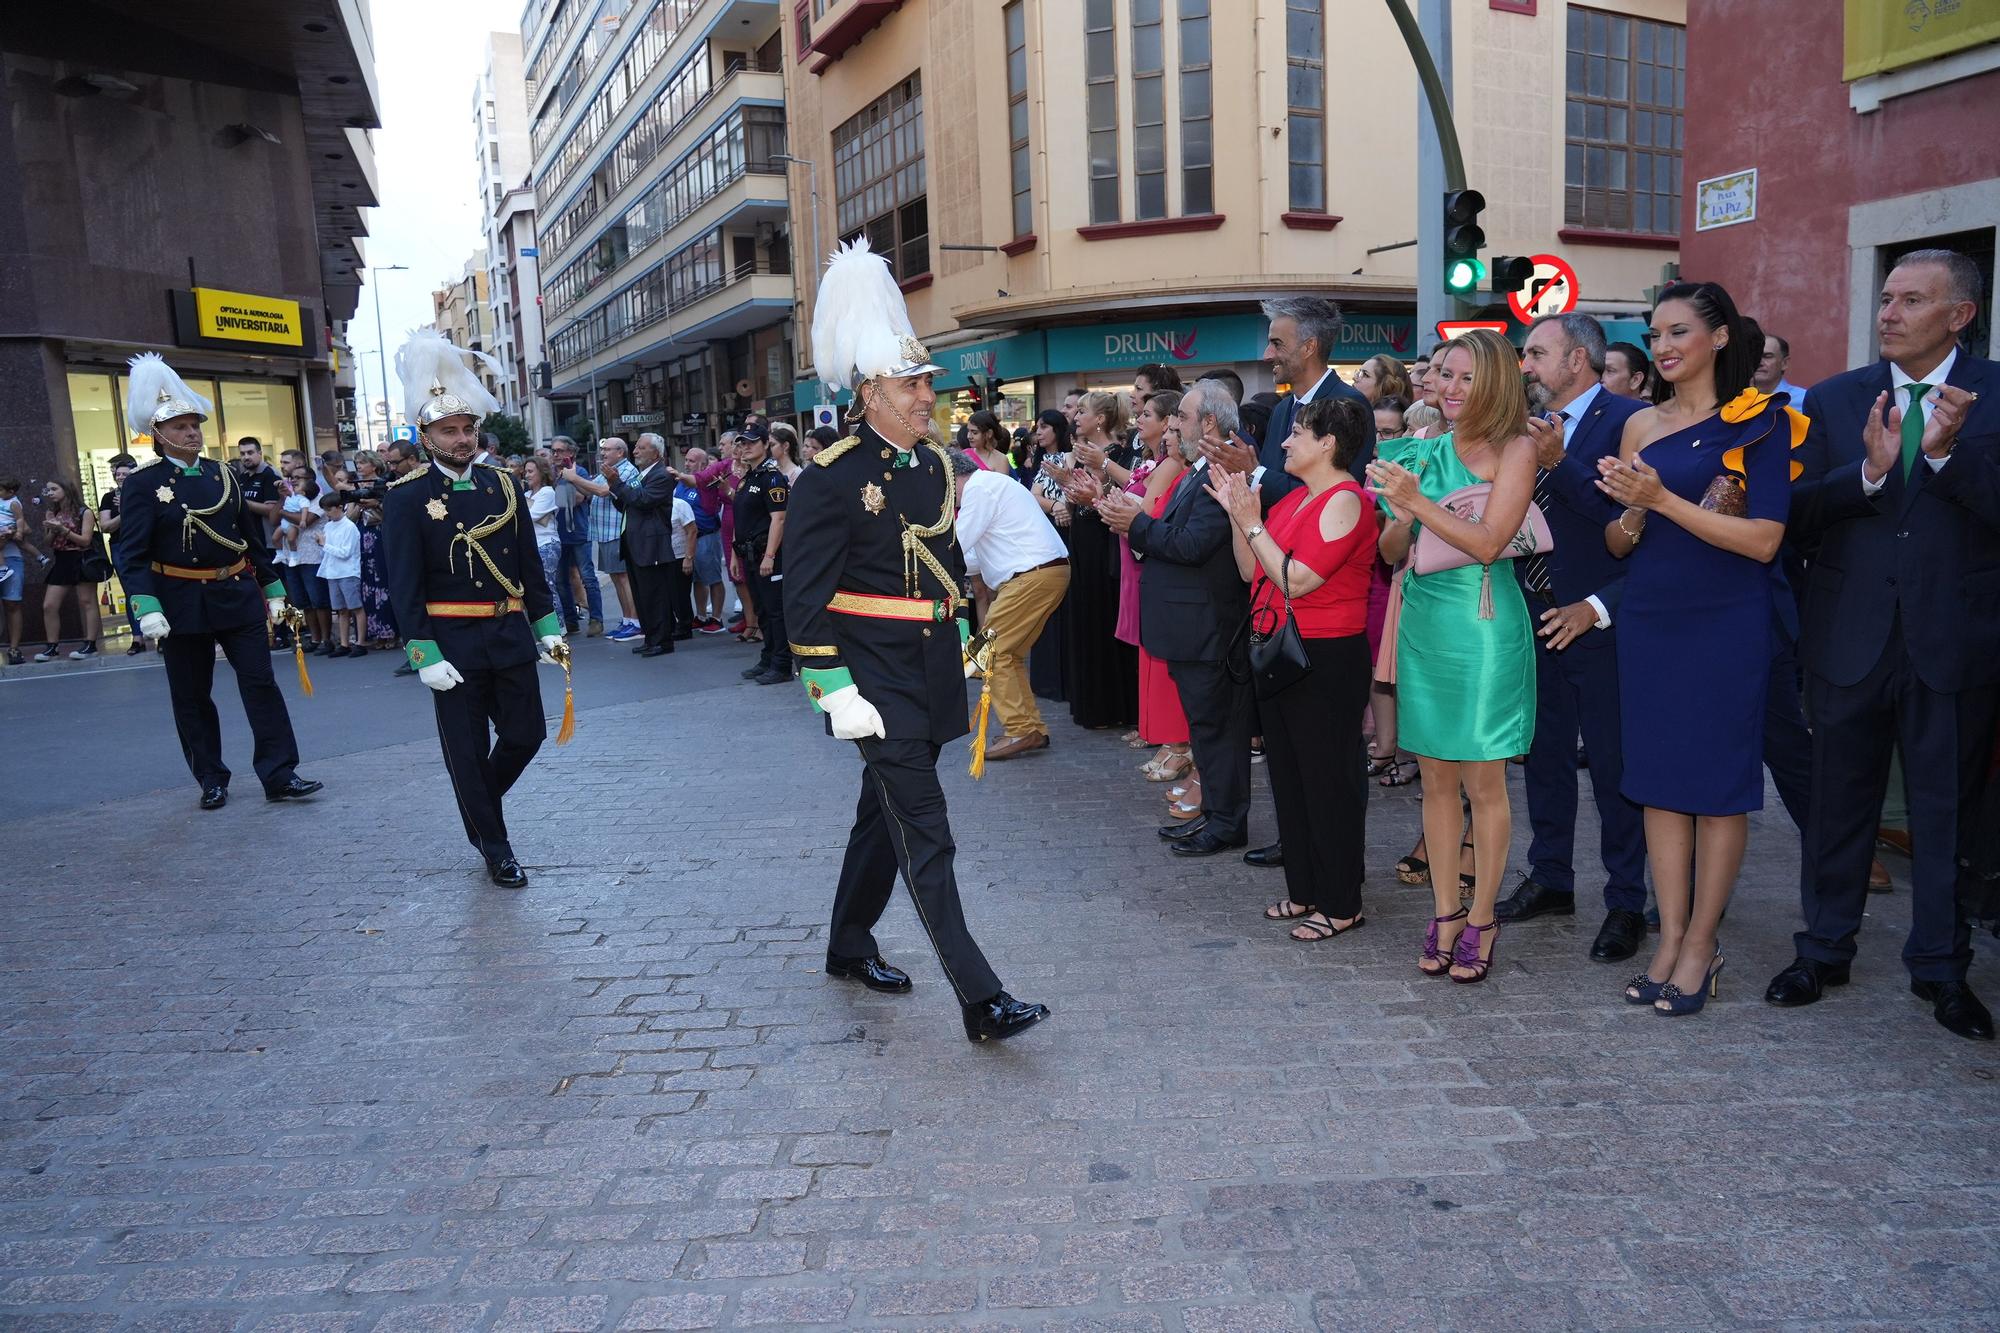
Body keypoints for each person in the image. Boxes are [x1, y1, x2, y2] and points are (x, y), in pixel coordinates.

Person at [783, 237, 1049, 1043]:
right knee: (926, 831)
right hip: (872, 681)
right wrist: (833, 691)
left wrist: (967, 640)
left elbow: (947, 560)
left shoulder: (934, 462)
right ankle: (980, 996)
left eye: (927, 381)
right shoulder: (830, 476)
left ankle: (846, 940)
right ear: (869, 392)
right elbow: (801, 600)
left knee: (883, 816)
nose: (927, 394)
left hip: (928, 668)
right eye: (911, 384)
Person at [1773, 248, 2000, 1041]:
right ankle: (1823, 950)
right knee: (1838, 804)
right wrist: (1865, 478)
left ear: (1960, 314)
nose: (1889, 313)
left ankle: (1940, 968)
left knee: (1945, 814)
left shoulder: (1998, 396)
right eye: (1887, 297)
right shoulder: (1835, 400)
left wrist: (1942, 458)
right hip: (1848, 635)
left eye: (1911, 300)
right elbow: (1792, 513)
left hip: (1954, 640)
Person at [1594, 280, 1791, 1017]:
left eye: (1678, 331)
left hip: (1724, 622)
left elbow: (1765, 538)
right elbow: (1618, 541)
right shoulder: (1639, 426)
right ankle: (1669, 936)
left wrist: (1662, 501)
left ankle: (1703, 942)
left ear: (1718, 337)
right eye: (1654, 335)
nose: (1665, 346)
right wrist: (1637, 516)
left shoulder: (1762, 423)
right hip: (1650, 616)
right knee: (1657, 783)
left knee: (1714, 789)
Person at [1364, 329, 1536, 984]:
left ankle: (1484, 915)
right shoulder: (1425, 449)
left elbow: (1492, 542)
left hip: (1485, 626)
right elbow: (1387, 552)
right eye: (1446, 375)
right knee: (1434, 779)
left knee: (1482, 782)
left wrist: (1417, 502)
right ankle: (1445, 909)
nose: (1453, 389)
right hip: (1426, 623)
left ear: (1493, 381)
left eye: (1467, 377)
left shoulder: (1516, 448)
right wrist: (1403, 512)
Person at [1493, 313, 1650, 962]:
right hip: (1532, 612)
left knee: (1613, 766)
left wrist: (1561, 463)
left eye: (1536, 353)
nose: (1525, 366)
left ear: (1578, 359)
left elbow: (1633, 525)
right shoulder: (1521, 427)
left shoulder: (1631, 421)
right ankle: (1552, 875)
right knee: (1544, 754)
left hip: (1600, 619)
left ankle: (1625, 901)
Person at [382, 329, 560, 890]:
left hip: (508, 632)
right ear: (426, 434)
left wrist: (548, 627)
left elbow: (531, 567)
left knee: (526, 734)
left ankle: (474, 804)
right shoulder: (406, 496)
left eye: (466, 429)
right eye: (448, 430)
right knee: (465, 748)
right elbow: (402, 584)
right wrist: (421, 652)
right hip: (451, 641)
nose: (461, 439)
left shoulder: (502, 486)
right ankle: (497, 846)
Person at [111, 353, 321, 809]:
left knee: (260, 681)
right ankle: (210, 776)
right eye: (181, 426)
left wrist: (275, 591)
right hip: (180, 598)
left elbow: (251, 543)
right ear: (159, 434)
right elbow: (132, 553)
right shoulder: (143, 484)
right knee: (191, 694)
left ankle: (279, 773)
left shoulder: (222, 474)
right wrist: (145, 605)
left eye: (194, 424)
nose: (192, 432)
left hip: (235, 592)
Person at [1210, 396, 1379, 942]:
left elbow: (1297, 580)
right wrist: (1241, 518)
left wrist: (1253, 522)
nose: (1285, 441)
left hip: (1325, 657)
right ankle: (1307, 889)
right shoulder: (1297, 501)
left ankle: (1341, 901)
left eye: (1298, 433)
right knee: (1289, 777)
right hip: (1282, 652)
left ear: (1328, 444)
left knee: (1328, 779)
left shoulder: (1346, 500)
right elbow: (1247, 570)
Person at [1098, 380, 1254, 858]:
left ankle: (1226, 822)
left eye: (1181, 416)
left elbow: (1192, 544)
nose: (1173, 424)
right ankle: (1215, 817)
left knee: (1216, 731)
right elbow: (1176, 533)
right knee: (1205, 729)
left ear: (1209, 422)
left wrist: (1136, 525)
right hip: (1190, 625)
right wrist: (1139, 523)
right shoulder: (1198, 469)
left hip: (1208, 626)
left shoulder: (1219, 471)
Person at [949, 450, 1069, 761]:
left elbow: (958, 546)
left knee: (991, 653)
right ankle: (1031, 728)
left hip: (1032, 575)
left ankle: (1020, 730)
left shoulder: (979, 488)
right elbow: (971, 558)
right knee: (1007, 654)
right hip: (1041, 572)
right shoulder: (987, 487)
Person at [1058, 390, 1138, 729]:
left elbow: (1115, 497)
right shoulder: (1078, 454)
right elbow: (1077, 500)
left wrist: (1088, 493)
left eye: (1082, 411)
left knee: (1104, 615)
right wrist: (1067, 487)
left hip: (1103, 540)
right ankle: (1092, 703)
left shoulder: (1116, 454)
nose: (1076, 417)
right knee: (1086, 616)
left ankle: (1113, 706)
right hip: (1082, 540)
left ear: (1100, 419)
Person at [612, 434, 682, 659]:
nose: (636, 451)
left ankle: (662, 640)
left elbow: (643, 500)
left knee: (655, 595)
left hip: (652, 544)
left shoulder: (661, 475)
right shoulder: (641, 475)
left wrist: (617, 483)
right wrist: (617, 488)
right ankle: (651, 637)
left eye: (641, 448)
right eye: (636, 448)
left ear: (656, 453)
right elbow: (626, 501)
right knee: (642, 595)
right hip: (635, 543)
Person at [566, 438, 642, 642]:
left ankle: (636, 623)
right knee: (617, 578)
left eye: (607, 449)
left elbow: (603, 491)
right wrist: (574, 480)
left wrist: (574, 478)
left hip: (617, 531)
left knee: (624, 578)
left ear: (620, 452)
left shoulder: (624, 470)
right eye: (602, 449)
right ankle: (627, 620)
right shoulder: (608, 469)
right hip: (606, 532)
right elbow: (591, 492)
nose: (603, 452)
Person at [733, 425, 791, 684]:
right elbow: (741, 518)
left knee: (775, 610)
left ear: (766, 444)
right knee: (762, 609)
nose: (746, 447)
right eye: (742, 443)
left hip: (768, 555)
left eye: (751, 442)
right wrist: (735, 555)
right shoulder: (749, 477)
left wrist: (769, 556)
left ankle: (781, 664)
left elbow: (779, 519)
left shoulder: (772, 477)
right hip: (749, 554)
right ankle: (768, 657)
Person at [32, 477, 104, 661]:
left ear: (66, 488)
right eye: (48, 490)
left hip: (81, 558)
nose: (50, 493)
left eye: (54, 489)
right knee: (49, 605)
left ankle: (90, 643)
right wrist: (51, 529)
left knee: (87, 602)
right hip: (62, 559)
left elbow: (86, 540)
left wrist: (63, 530)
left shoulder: (84, 512)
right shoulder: (52, 512)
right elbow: (48, 543)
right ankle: (52, 646)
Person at [548, 438, 604, 638]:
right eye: (553, 451)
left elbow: (581, 497)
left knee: (587, 577)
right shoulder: (553, 475)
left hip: (579, 532)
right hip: (559, 534)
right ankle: (571, 620)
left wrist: (567, 481)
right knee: (561, 581)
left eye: (559, 451)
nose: (555, 455)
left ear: (570, 453)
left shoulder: (577, 472)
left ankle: (596, 619)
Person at [95, 454, 148, 654]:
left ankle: (161, 635)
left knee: (152, 588)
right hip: (120, 547)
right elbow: (106, 526)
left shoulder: (144, 493)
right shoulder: (109, 498)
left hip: (145, 545)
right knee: (131, 592)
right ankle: (137, 638)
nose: (121, 477)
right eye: (118, 475)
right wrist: (125, 511)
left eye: (126, 474)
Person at [348, 451, 397, 649]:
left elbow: (392, 513)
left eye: (362, 462)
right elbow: (349, 518)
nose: (359, 466)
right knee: (367, 586)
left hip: (380, 535)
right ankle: (376, 633)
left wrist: (376, 503)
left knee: (384, 582)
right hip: (362, 537)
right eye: (357, 463)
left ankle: (391, 632)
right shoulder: (356, 486)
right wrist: (358, 505)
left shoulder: (384, 485)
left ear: (374, 465)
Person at [317, 497, 364, 656]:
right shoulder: (328, 526)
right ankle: (344, 644)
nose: (327, 513)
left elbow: (345, 553)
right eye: (325, 510)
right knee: (341, 610)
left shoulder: (349, 527)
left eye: (330, 509)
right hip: (333, 572)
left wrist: (324, 545)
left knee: (356, 607)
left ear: (340, 507)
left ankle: (360, 643)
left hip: (348, 572)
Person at [523, 457, 562, 616]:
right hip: (532, 546)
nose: (527, 475)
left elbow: (528, 517)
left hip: (547, 545)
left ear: (542, 472)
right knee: (537, 589)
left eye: (531, 471)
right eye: (525, 471)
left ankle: (559, 630)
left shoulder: (548, 492)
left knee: (548, 587)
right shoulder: (526, 494)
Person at [0, 474, 31, 664]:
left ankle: (14, 648)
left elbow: (26, 529)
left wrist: (12, 532)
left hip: (11, 557)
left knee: (12, 603)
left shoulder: (11, 503)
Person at [1753, 331, 1809, 411]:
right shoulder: (1735, 400)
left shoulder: (1804, 400)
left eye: (1767, 356)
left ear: (1784, 363)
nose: (1759, 362)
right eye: (1754, 356)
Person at [964, 409, 1013, 474]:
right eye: (968, 431)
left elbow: (1001, 484)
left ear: (989, 433)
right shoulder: (964, 455)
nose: (969, 436)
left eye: (975, 432)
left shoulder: (1001, 460)